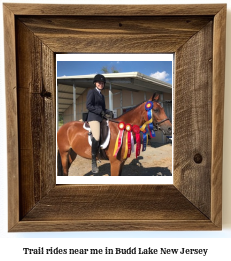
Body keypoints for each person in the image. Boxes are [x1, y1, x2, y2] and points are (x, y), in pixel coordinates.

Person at [86, 74, 113, 173]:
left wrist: (108, 111)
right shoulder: (91, 92)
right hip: (93, 117)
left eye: (102, 83)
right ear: (95, 83)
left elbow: (103, 108)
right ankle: (93, 162)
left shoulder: (102, 96)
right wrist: (100, 111)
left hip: (101, 118)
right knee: (96, 136)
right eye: (99, 82)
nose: (100, 84)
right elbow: (88, 105)